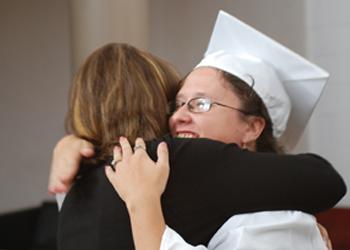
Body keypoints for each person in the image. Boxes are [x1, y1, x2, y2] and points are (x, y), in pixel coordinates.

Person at [50, 12, 345, 250]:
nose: (179, 117)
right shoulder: (162, 175)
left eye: (200, 104)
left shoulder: (273, 222)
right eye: (175, 105)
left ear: (252, 127)